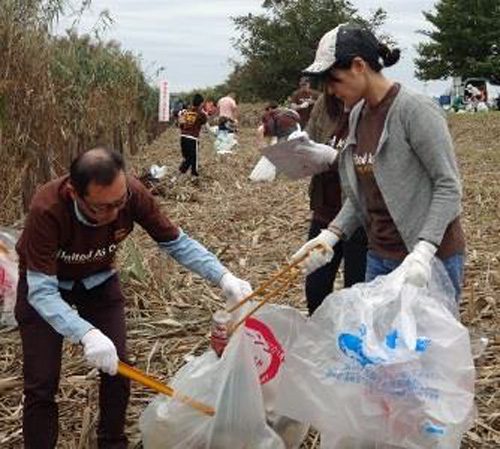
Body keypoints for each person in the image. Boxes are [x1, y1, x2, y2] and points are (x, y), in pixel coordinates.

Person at [14, 147, 252, 449]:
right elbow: (41, 292)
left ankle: (112, 441)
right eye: (103, 208)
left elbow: (176, 242)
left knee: (118, 365)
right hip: (47, 288)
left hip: (99, 281)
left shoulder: (132, 194)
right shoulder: (47, 209)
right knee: (41, 382)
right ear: (75, 193)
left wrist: (223, 276)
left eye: (120, 203)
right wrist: (85, 333)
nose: (115, 214)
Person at [293, 23, 466, 302]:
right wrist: (332, 234)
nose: (330, 91)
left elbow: (448, 185)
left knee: (423, 344)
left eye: (334, 80)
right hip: (379, 256)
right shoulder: (358, 114)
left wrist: (424, 250)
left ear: (359, 66)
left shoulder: (415, 110)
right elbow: (362, 189)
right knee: (378, 342)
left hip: (427, 260)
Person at [304, 91, 367, 314]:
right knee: (315, 287)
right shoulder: (324, 103)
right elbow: (309, 139)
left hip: (358, 217)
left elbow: (368, 165)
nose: (332, 85)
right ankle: (320, 338)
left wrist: (335, 159)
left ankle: (352, 342)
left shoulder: (371, 107)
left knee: (357, 291)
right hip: (325, 211)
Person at [178, 93, 207, 177]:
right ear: (201, 103)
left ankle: (179, 174)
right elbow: (204, 121)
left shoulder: (187, 112)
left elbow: (181, 124)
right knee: (194, 159)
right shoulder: (200, 114)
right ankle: (194, 175)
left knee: (187, 158)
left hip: (183, 137)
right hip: (192, 139)